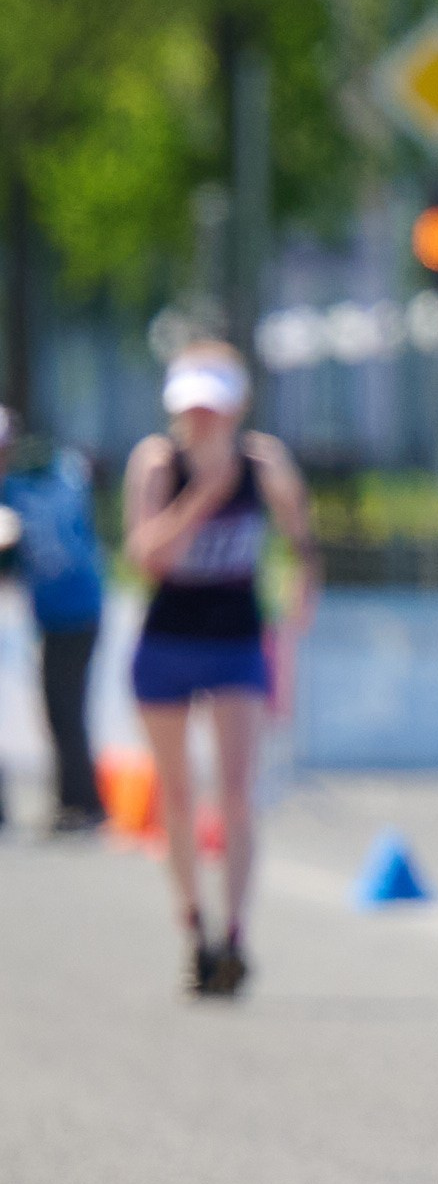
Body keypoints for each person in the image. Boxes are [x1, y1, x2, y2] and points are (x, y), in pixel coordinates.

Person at [120, 342, 317, 995]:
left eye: (214, 408)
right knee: (176, 794)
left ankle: (234, 934)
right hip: (169, 637)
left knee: (235, 793)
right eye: (193, 409)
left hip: (235, 638)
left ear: (236, 408)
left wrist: (300, 594)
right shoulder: (157, 462)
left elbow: (299, 533)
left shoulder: (265, 464)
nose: (202, 421)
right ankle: (192, 927)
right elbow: (146, 556)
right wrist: (203, 497)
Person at [0, 404, 109, 834]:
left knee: (64, 708)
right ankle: (77, 801)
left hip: (75, 609)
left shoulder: (22, 487)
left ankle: (82, 803)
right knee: (61, 708)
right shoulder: (59, 473)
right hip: (61, 610)